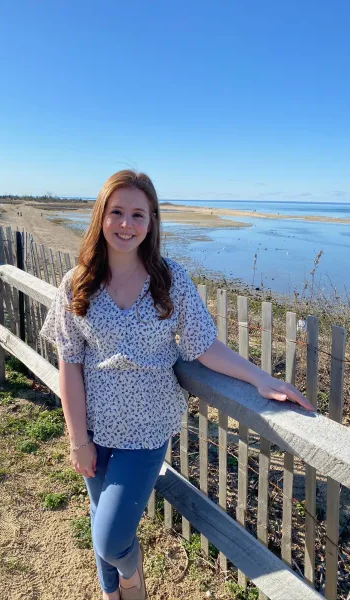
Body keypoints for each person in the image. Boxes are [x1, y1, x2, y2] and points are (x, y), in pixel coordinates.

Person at [40, 170, 314, 600]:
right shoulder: (77, 284)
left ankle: (133, 584)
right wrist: (78, 440)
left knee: (111, 538)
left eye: (138, 214)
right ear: (101, 216)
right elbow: (69, 365)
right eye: (117, 212)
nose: (126, 224)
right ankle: (112, 594)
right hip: (93, 428)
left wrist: (261, 378)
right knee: (99, 516)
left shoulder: (170, 280)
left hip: (147, 429)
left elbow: (205, 348)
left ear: (151, 222)